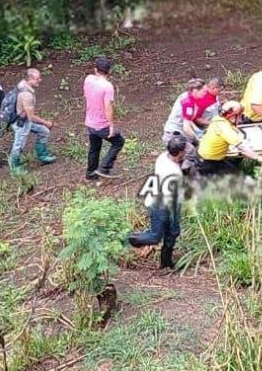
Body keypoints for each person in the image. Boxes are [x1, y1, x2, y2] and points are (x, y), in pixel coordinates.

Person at [128, 135, 187, 269]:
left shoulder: (163, 156)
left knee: (173, 232)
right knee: (155, 237)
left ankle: (166, 263)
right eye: (184, 150)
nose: (186, 152)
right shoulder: (173, 173)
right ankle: (130, 239)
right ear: (179, 153)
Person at [197, 100, 262, 176]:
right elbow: (243, 148)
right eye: (239, 115)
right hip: (209, 162)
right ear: (232, 116)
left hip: (209, 157)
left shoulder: (218, 119)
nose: (240, 118)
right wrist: (259, 158)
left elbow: (234, 133)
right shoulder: (225, 128)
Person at [8, 68, 57, 172]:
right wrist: (46, 122)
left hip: (24, 119)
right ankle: (14, 165)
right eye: (37, 79)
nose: (40, 80)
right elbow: (31, 117)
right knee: (19, 144)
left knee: (43, 131)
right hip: (21, 122)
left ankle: (42, 154)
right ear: (30, 79)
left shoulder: (22, 84)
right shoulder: (27, 95)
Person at [84, 56, 124, 180]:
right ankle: (104, 168)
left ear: (95, 69)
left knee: (94, 147)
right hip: (101, 124)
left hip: (89, 122)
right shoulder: (107, 86)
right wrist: (111, 125)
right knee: (118, 142)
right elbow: (108, 108)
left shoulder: (88, 79)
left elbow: (85, 94)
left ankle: (90, 174)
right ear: (109, 71)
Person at [162, 79, 206, 143]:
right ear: (195, 91)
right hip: (173, 136)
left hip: (179, 133)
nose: (205, 94)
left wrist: (198, 132)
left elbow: (188, 119)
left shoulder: (189, 96)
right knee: (191, 150)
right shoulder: (188, 103)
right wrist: (199, 140)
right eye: (203, 91)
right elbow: (186, 128)